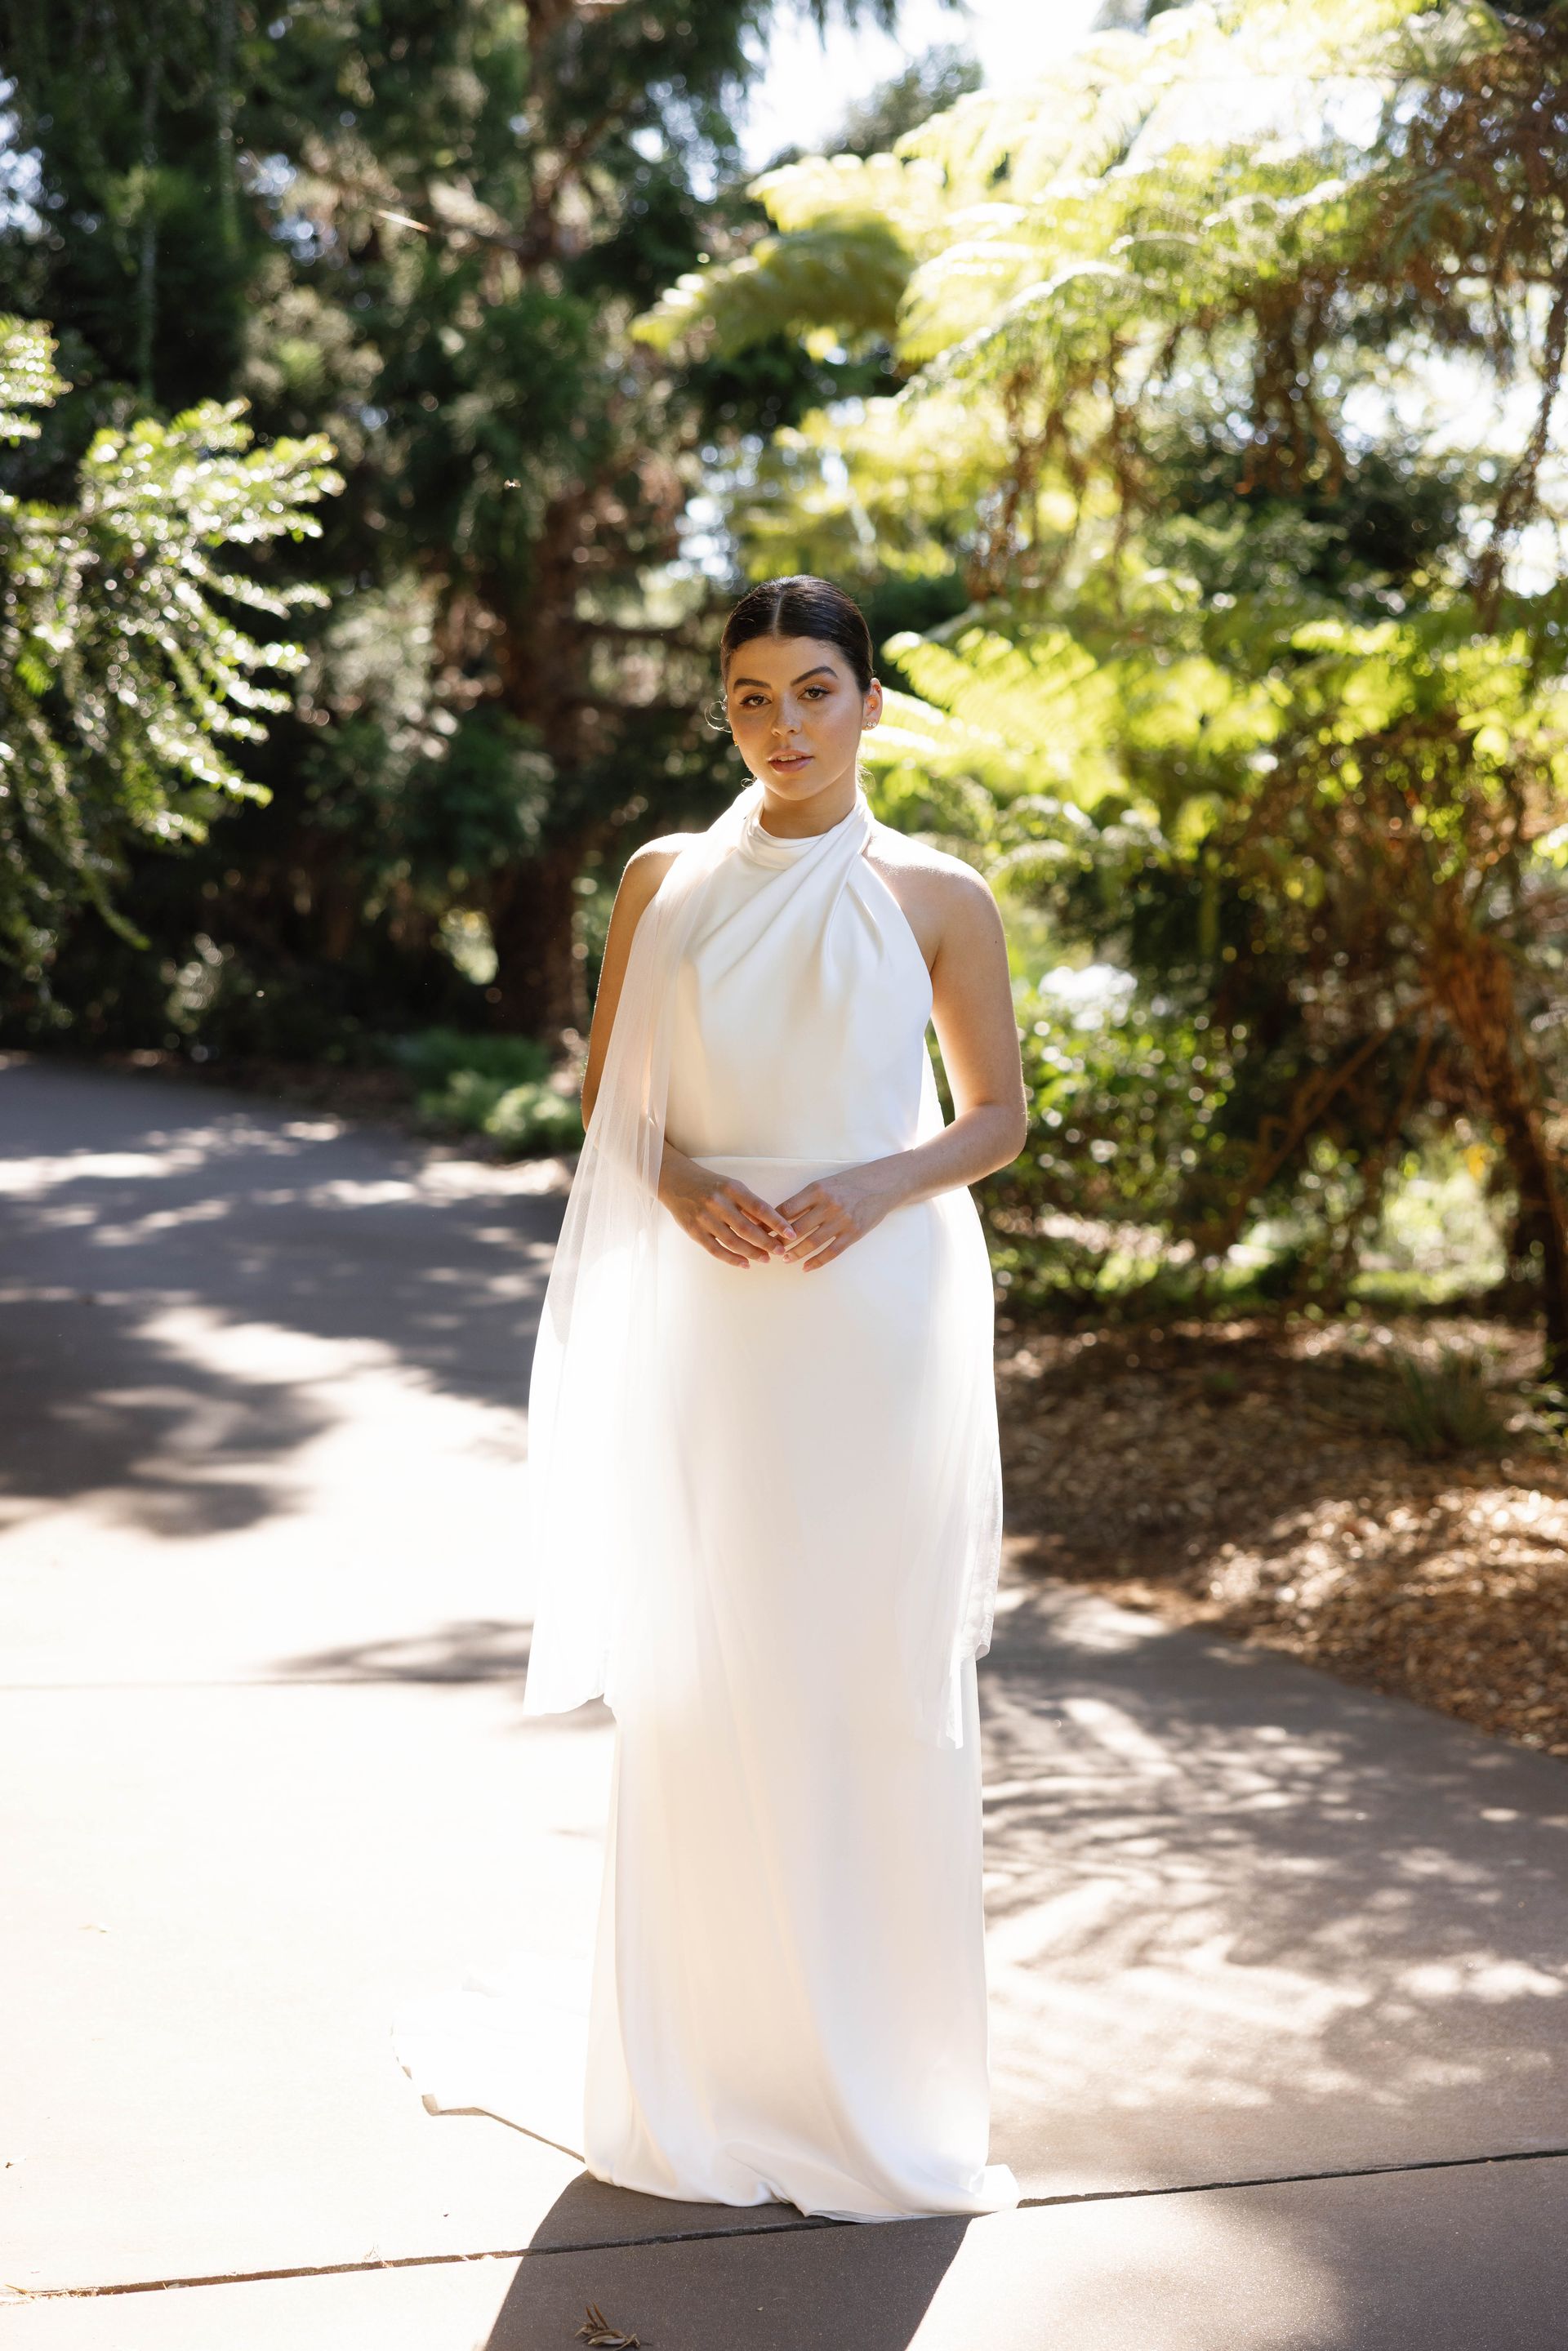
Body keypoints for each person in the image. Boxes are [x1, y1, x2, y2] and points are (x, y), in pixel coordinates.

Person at [398, 575, 1026, 2223]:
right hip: (712, 1316)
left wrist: (876, 1189)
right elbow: (610, 1094)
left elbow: (998, 1120)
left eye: (816, 689)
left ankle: (870, 2083)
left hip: (872, 1308)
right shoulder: (662, 880)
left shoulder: (938, 892)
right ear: (725, 714)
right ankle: (701, 2075)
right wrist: (677, 1192)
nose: (787, 724)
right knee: (709, 1664)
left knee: (859, 1672)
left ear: (872, 702)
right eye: (753, 697)